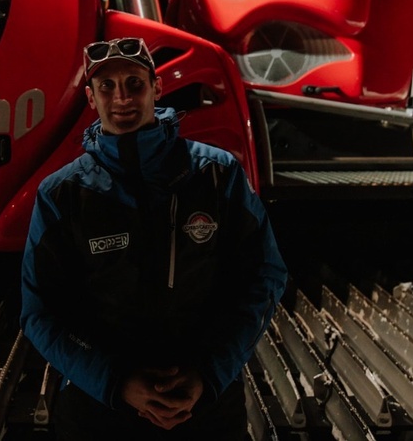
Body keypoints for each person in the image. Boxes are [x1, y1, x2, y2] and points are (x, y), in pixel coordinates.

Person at [20, 36, 289, 440]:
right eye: (106, 87)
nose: (121, 98)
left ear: (157, 88)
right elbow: (39, 312)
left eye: (134, 83)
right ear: (91, 99)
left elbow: (265, 276)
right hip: (102, 406)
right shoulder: (63, 195)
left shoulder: (217, 175)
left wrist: (209, 373)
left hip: (203, 402)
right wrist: (117, 383)